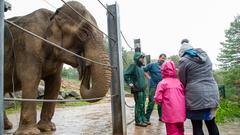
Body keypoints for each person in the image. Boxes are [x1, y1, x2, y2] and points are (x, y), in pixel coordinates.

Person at [178, 39, 220, 135]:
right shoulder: (206, 57)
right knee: (211, 123)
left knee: (197, 125)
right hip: (212, 93)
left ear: (182, 52)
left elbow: (182, 81)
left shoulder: (184, 61)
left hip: (196, 96)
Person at [154, 61, 186, 135]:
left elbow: (158, 98)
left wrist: (159, 102)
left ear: (163, 71)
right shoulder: (179, 82)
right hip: (180, 112)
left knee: (172, 131)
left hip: (170, 112)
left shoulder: (162, 83)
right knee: (180, 130)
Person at [124, 52, 149, 127]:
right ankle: (138, 121)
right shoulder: (133, 65)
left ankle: (143, 118)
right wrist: (130, 83)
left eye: (143, 58)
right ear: (137, 58)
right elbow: (126, 74)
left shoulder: (141, 67)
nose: (143, 59)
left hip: (143, 89)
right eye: (141, 58)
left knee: (143, 105)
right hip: (137, 89)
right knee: (139, 105)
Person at [144, 53, 166, 123]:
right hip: (153, 86)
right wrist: (148, 77)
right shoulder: (152, 65)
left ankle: (161, 117)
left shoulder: (164, 66)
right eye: (162, 58)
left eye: (164, 58)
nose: (163, 59)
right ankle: (146, 118)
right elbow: (144, 70)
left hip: (162, 87)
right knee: (152, 102)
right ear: (159, 58)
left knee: (160, 102)